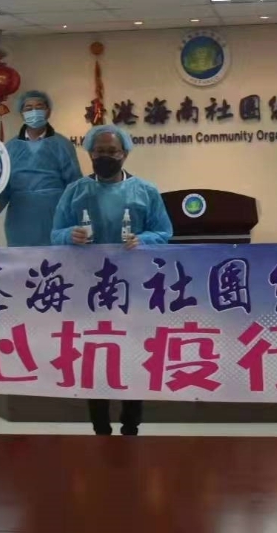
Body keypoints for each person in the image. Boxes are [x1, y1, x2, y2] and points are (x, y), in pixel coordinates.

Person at [51, 125, 173, 435]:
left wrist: (144, 240)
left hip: (134, 287)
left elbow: (164, 232)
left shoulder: (145, 191)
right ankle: (100, 427)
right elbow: (55, 233)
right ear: (90, 153)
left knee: (132, 354)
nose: (105, 156)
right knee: (94, 357)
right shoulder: (75, 191)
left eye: (112, 151)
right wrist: (69, 235)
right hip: (89, 288)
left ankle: (131, 425)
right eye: (99, 151)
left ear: (125, 154)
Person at [0, 90, 81, 247]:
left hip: (55, 215)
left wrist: (77, 217)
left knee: (56, 260)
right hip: (20, 218)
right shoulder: (10, 147)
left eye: (39, 107)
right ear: (22, 113)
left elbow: (75, 185)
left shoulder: (62, 145)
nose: (34, 111)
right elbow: (4, 186)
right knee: (22, 259)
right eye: (28, 108)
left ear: (48, 111)